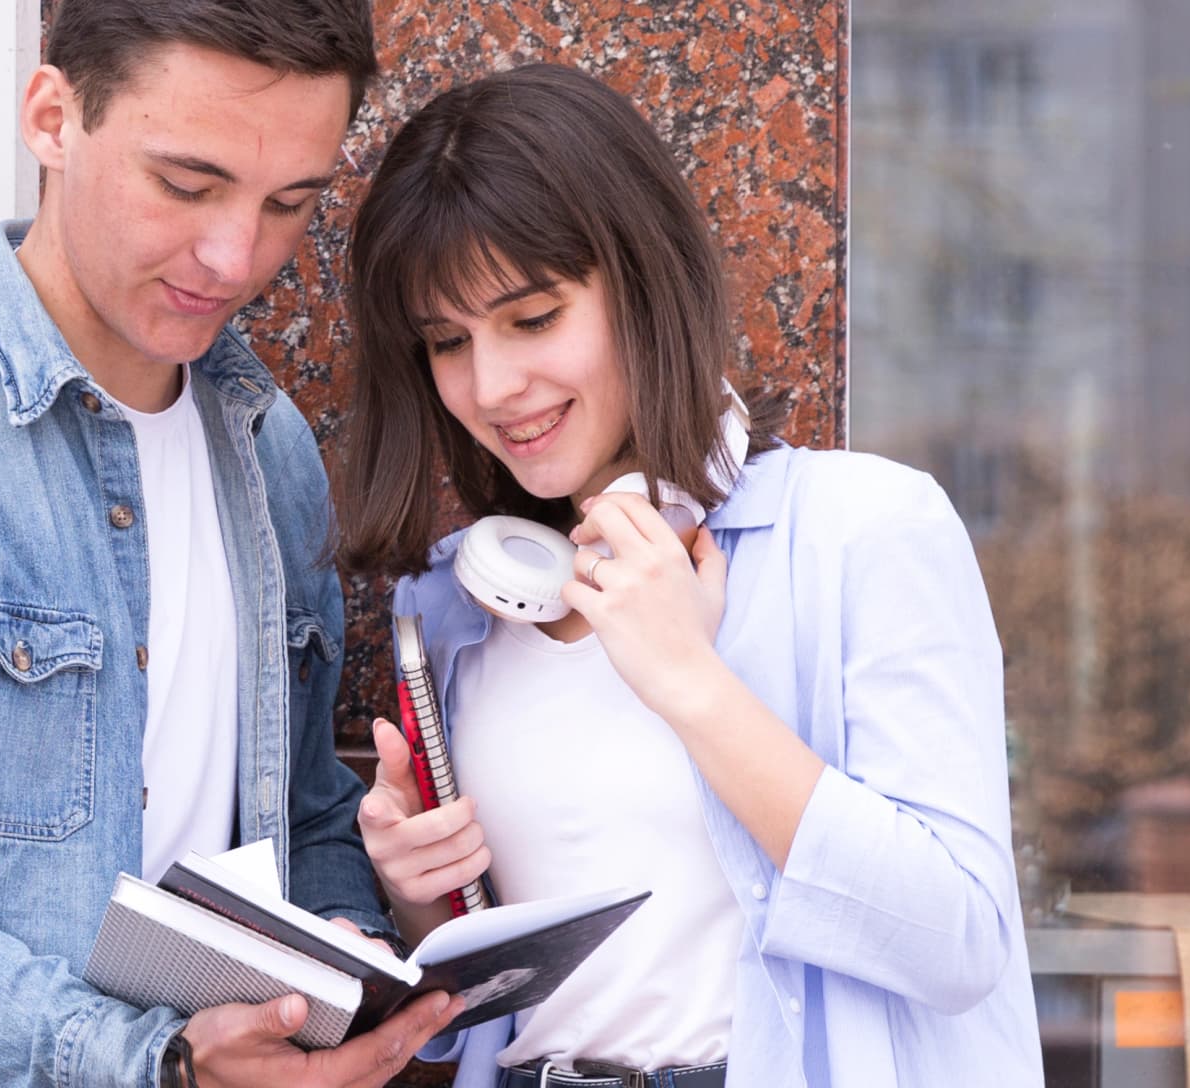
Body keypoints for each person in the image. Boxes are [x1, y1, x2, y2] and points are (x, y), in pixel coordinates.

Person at [0, 0, 469, 1083]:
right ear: (51, 116)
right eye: (188, 185)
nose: (236, 253)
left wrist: (352, 972)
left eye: (289, 202)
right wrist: (152, 1061)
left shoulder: (271, 450)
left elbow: (296, 810)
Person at [339, 63, 1040, 1088]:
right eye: (448, 341)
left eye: (534, 318)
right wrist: (418, 895)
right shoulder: (456, 606)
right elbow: (497, 995)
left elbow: (957, 937)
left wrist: (691, 682)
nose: (491, 386)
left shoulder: (862, 530)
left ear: (642, 279)